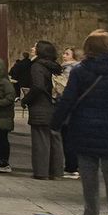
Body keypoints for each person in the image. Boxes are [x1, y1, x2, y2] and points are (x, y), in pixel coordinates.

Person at [52, 30, 108, 215]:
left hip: (84, 126)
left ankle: (91, 211)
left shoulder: (80, 71)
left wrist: (56, 122)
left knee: (88, 170)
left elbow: (68, 99)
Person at [26, 41, 67, 180]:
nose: (32, 48)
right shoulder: (55, 67)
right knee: (55, 139)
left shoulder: (37, 66)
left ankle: (41, 171)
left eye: (35, 46)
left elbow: (38, 86)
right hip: (55, 106)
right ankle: (56, 172)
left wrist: (26, 99)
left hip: (41, 106)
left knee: (41, 140)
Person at [60, 46, 83, 180]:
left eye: (67, 53)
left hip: (70, 108)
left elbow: (67, 90)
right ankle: (74, 166)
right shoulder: (79, 69)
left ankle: (72, 167)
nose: (64, 55)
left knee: (68, 138)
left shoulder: (70, 69)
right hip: (76, 109)